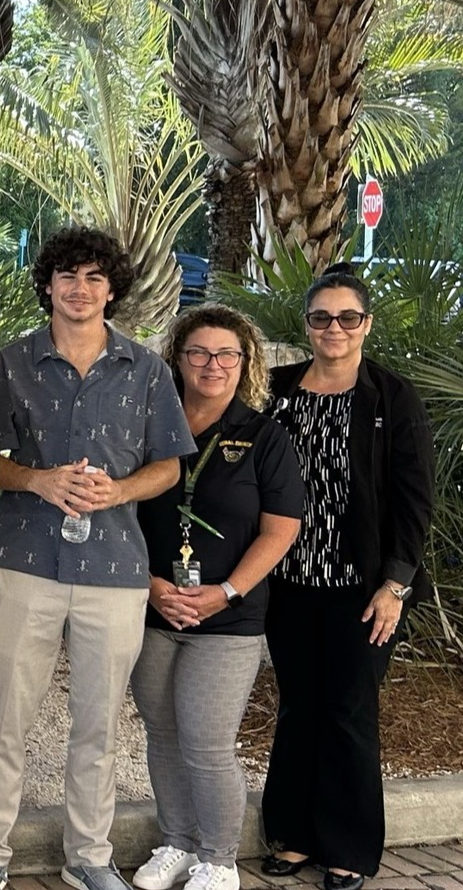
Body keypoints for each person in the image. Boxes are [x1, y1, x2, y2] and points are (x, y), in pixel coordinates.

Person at [0, 227, 192, 890]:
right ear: (47, 284)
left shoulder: (147, 369)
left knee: (99, 725)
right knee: (6, 717)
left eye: (95, 277)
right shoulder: (10, 364)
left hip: (116, 570)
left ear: (112, 289)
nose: (80, 288)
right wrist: (36, 479)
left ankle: (89, 858)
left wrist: (121, 489)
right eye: (68, 276)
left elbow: (170, 464)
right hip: (25, 560)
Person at [258, 267, 434, 890]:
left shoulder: (391, 397)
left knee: (349, 710)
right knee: (299, 706)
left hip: (363, 592)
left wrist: (396, 584)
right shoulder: (275, 391)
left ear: (366, 324)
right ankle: (293, 833)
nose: (334, 328)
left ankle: (350, 848)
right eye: (321, 318)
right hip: (286, 584)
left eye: (347, 318)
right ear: (307, 325)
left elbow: (414, 502)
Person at [128, 306, 302, 890]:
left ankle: (219, 858)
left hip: (229, 617)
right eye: (199, 353)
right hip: (154, 608)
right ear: (177, 358)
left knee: (206, 742)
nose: (213, 365)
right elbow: (123, 511)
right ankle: (175, 843)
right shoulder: (150, 425)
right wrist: (153, 587)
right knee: (162, 732)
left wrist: (226, 592)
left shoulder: (263, 436)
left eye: (227, 354)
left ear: (244, 362)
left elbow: (282, 529)